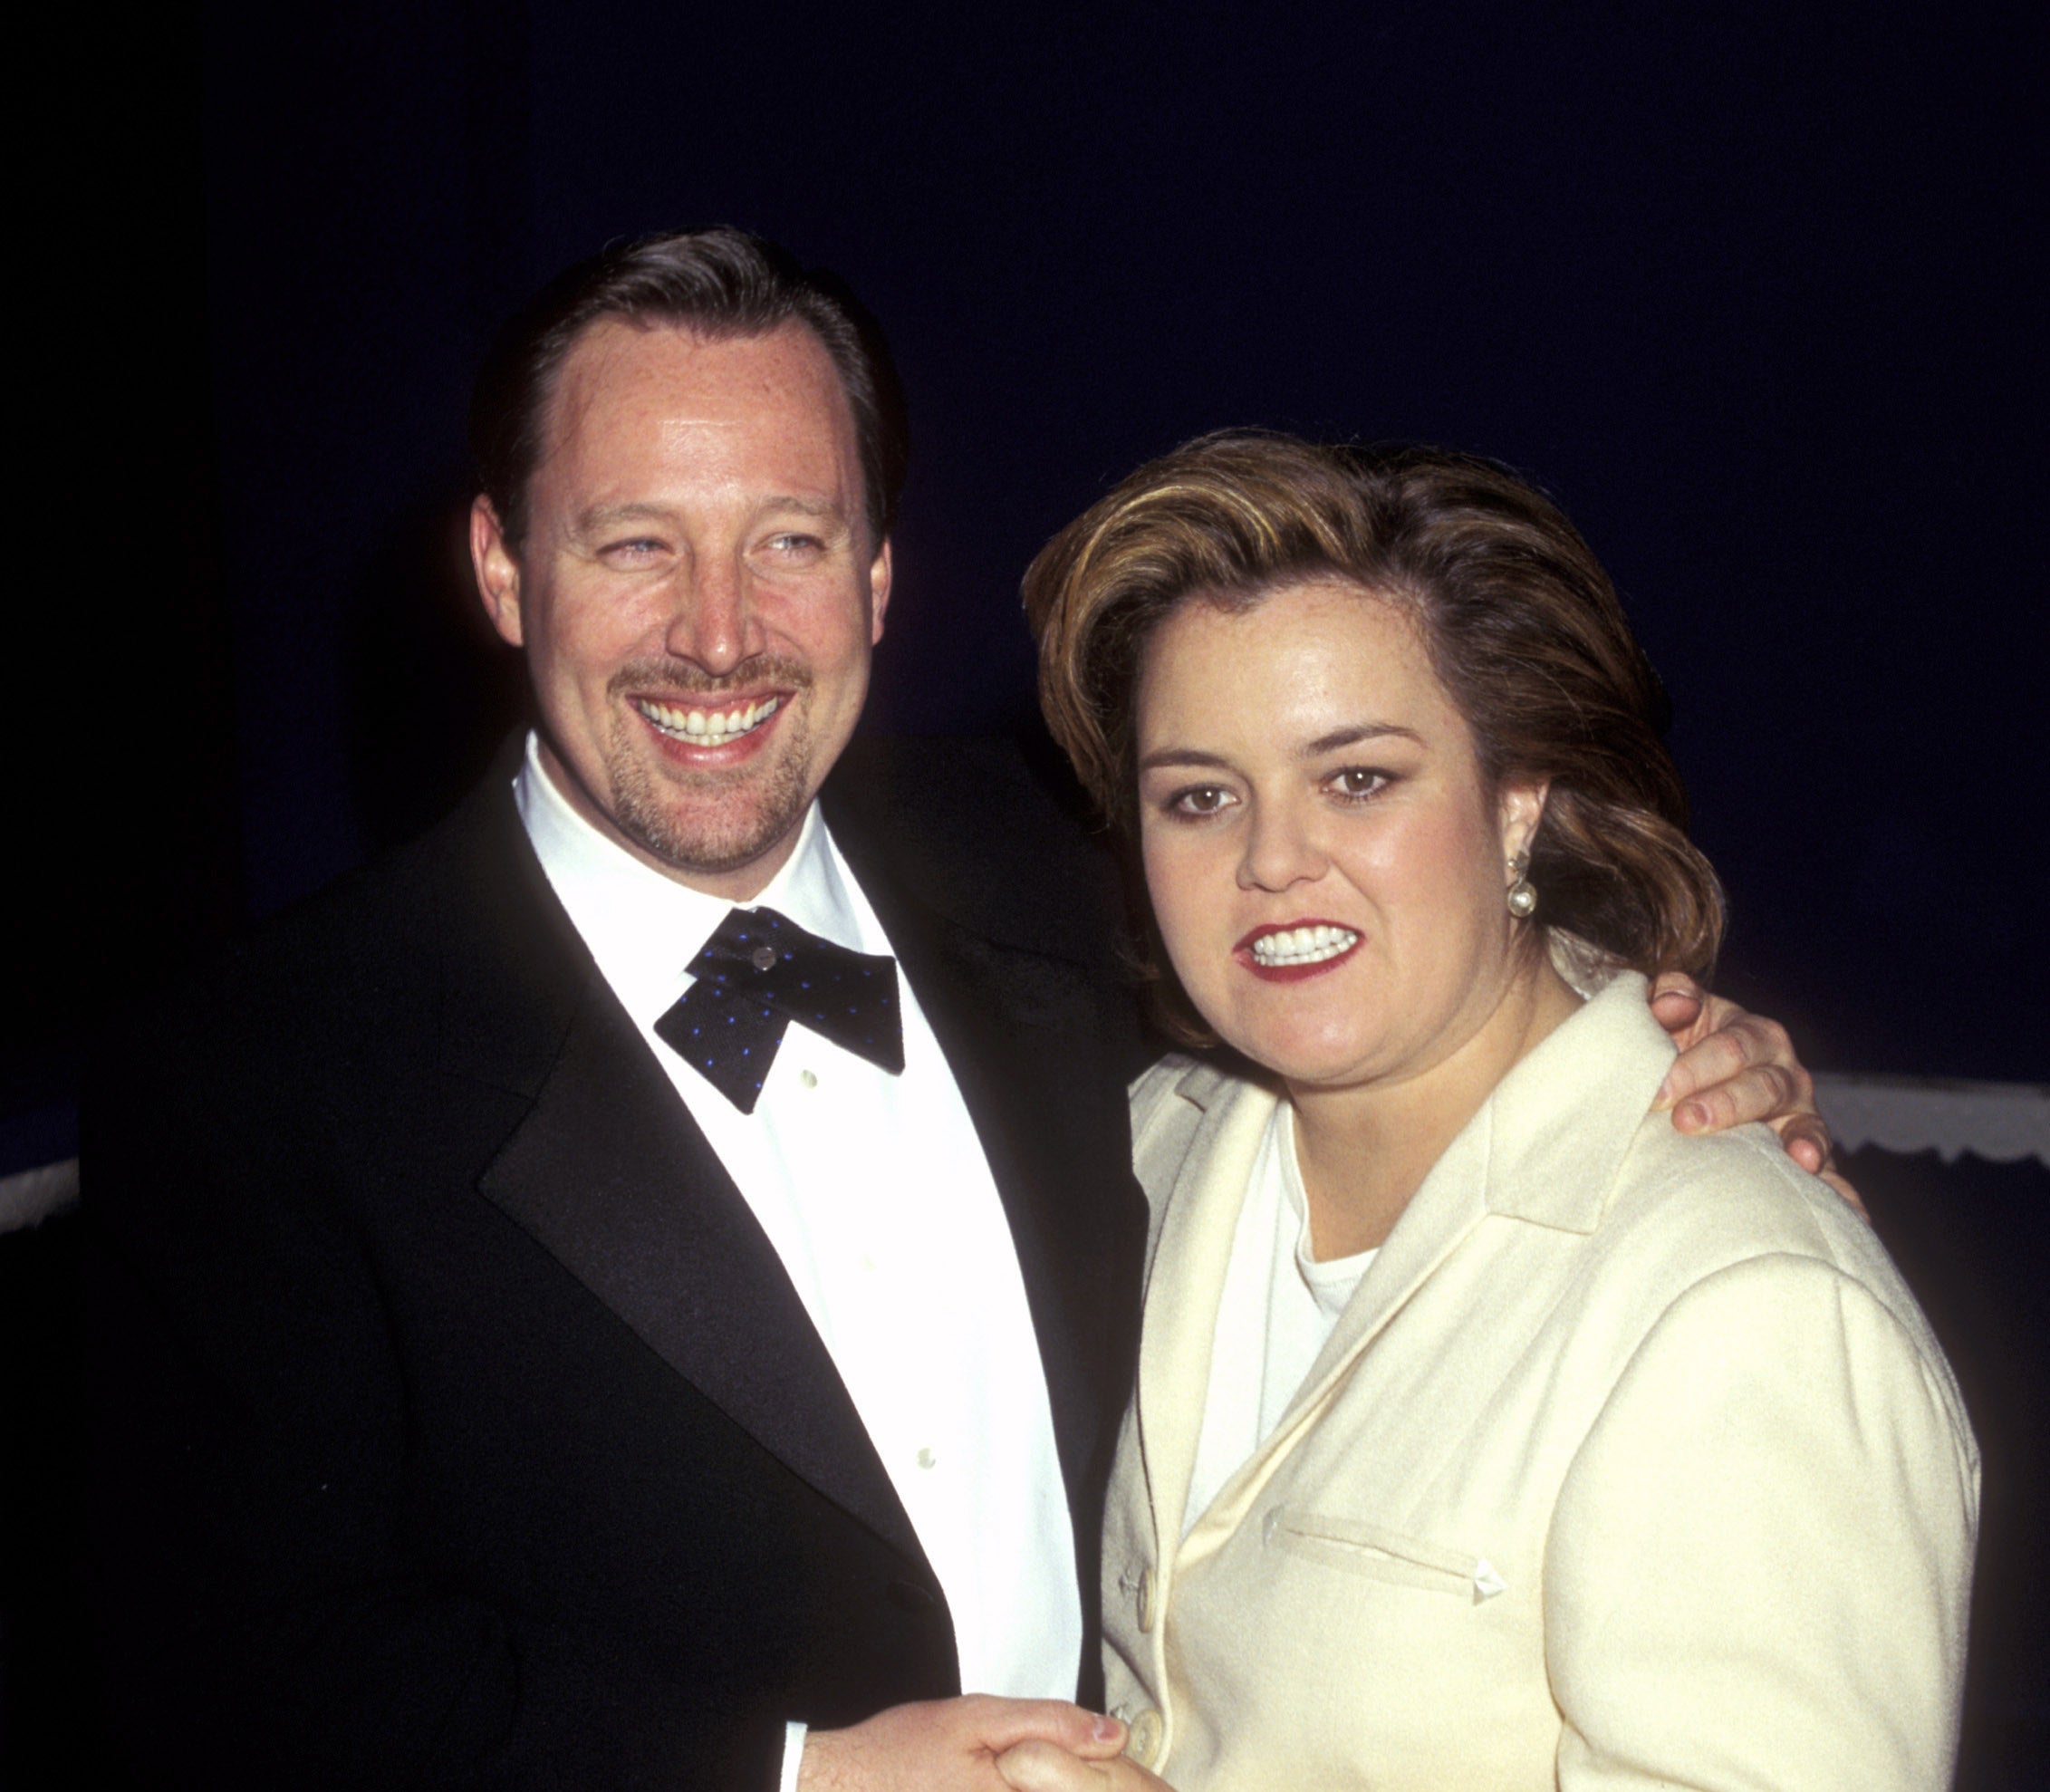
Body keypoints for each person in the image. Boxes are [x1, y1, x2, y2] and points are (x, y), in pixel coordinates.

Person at [85, 234, 1836, 1791]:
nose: (718, 633)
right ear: (500, 566)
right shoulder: (261, 1070)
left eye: (790, 540)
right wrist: (795, 1775)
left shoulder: (1052, 861)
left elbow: (1374, 921)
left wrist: (1642, 1035)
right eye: (635, 543)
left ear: (875, 581)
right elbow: (240, 1677)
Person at [1000, 434, 1978, 1791]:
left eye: (1358, 777)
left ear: (1519, 807)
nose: (1273, 860)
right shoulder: (1132, 1152)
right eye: (1201, 796)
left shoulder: (1741, 1305)